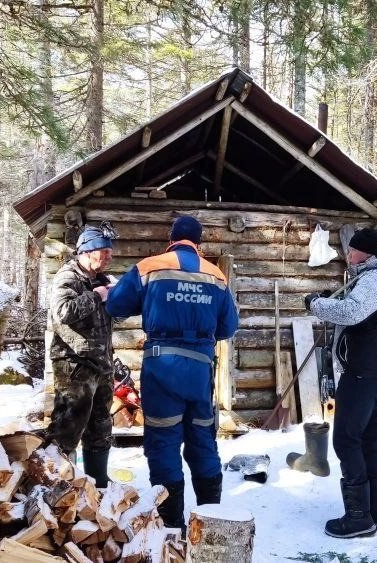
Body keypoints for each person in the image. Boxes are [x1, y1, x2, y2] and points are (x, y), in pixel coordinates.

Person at [106, 216, 239, 531]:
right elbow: (228, 328)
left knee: (164, 441)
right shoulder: (216, 274)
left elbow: (116, 306)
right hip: (200, 370)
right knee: (202, 440)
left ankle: (171, 528)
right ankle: (211, 520)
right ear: (198, 242)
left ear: (172, 238)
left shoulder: (150, 267)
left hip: (162, 368)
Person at [304, 227, 377, 539]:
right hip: (376, 373)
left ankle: (359, 517)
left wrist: (315, 304)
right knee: (370, 438)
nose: (348, 254)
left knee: (346, 440)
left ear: (367, 252)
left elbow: (351, 311)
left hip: (364, 374)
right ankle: (374, 512)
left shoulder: (376, 278)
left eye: (353, 249)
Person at [46, 225, 116, 487]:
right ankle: (59, 484)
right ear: (87, 252)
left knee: (100, 426)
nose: (109, 257)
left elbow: (112, 317)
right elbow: (62, 312)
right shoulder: (68, 277)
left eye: (110, 252)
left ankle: (98, 483)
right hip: (74, 364)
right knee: (68, 427)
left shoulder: (102, 279)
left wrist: (116, 296)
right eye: (104, 252)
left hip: (102, 364)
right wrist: (96, 296)